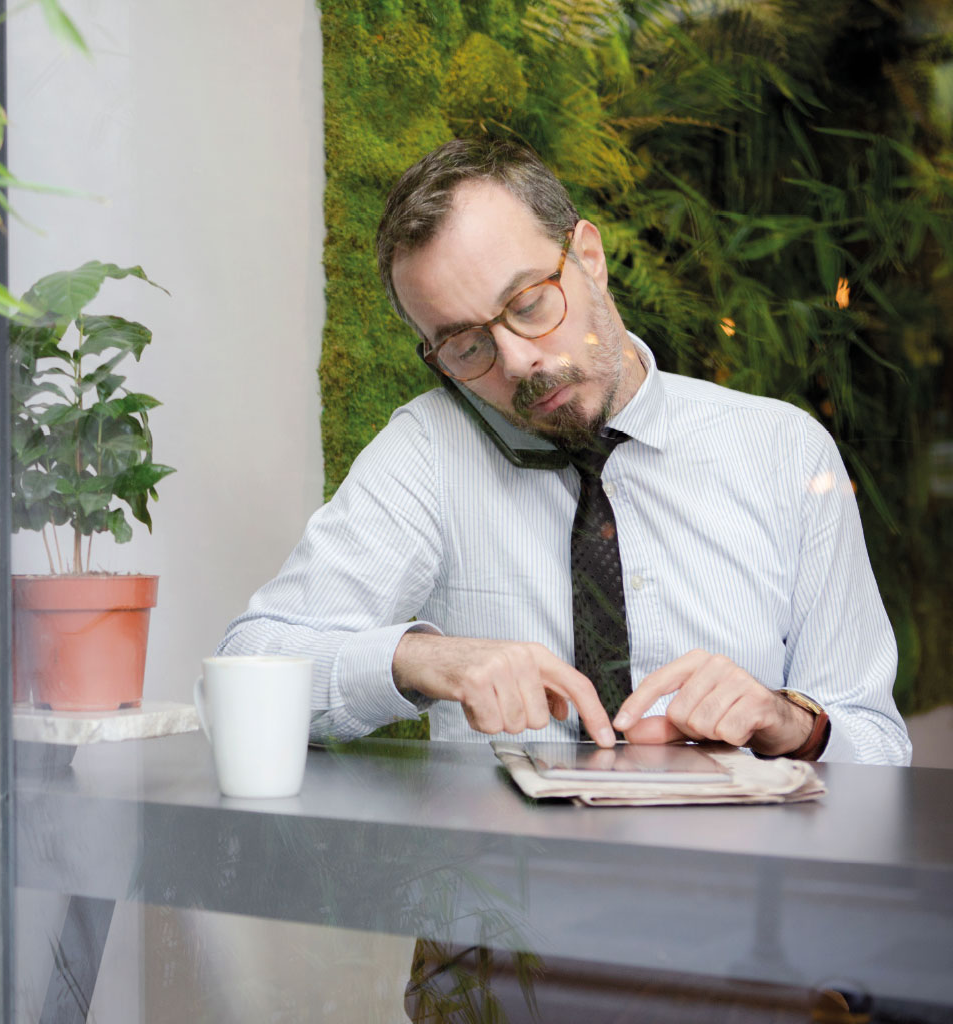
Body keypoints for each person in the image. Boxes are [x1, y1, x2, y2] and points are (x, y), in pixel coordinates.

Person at [218, 138, 910, 766]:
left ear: (589, 258)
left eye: (527, 304)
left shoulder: (783, 452)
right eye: (466, 345)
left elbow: (878, 746)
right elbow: (249, 668)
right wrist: (419, 658)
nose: (518, 363)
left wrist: (791, 723)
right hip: (510, 897)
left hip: (735, 892)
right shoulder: (429, 451)